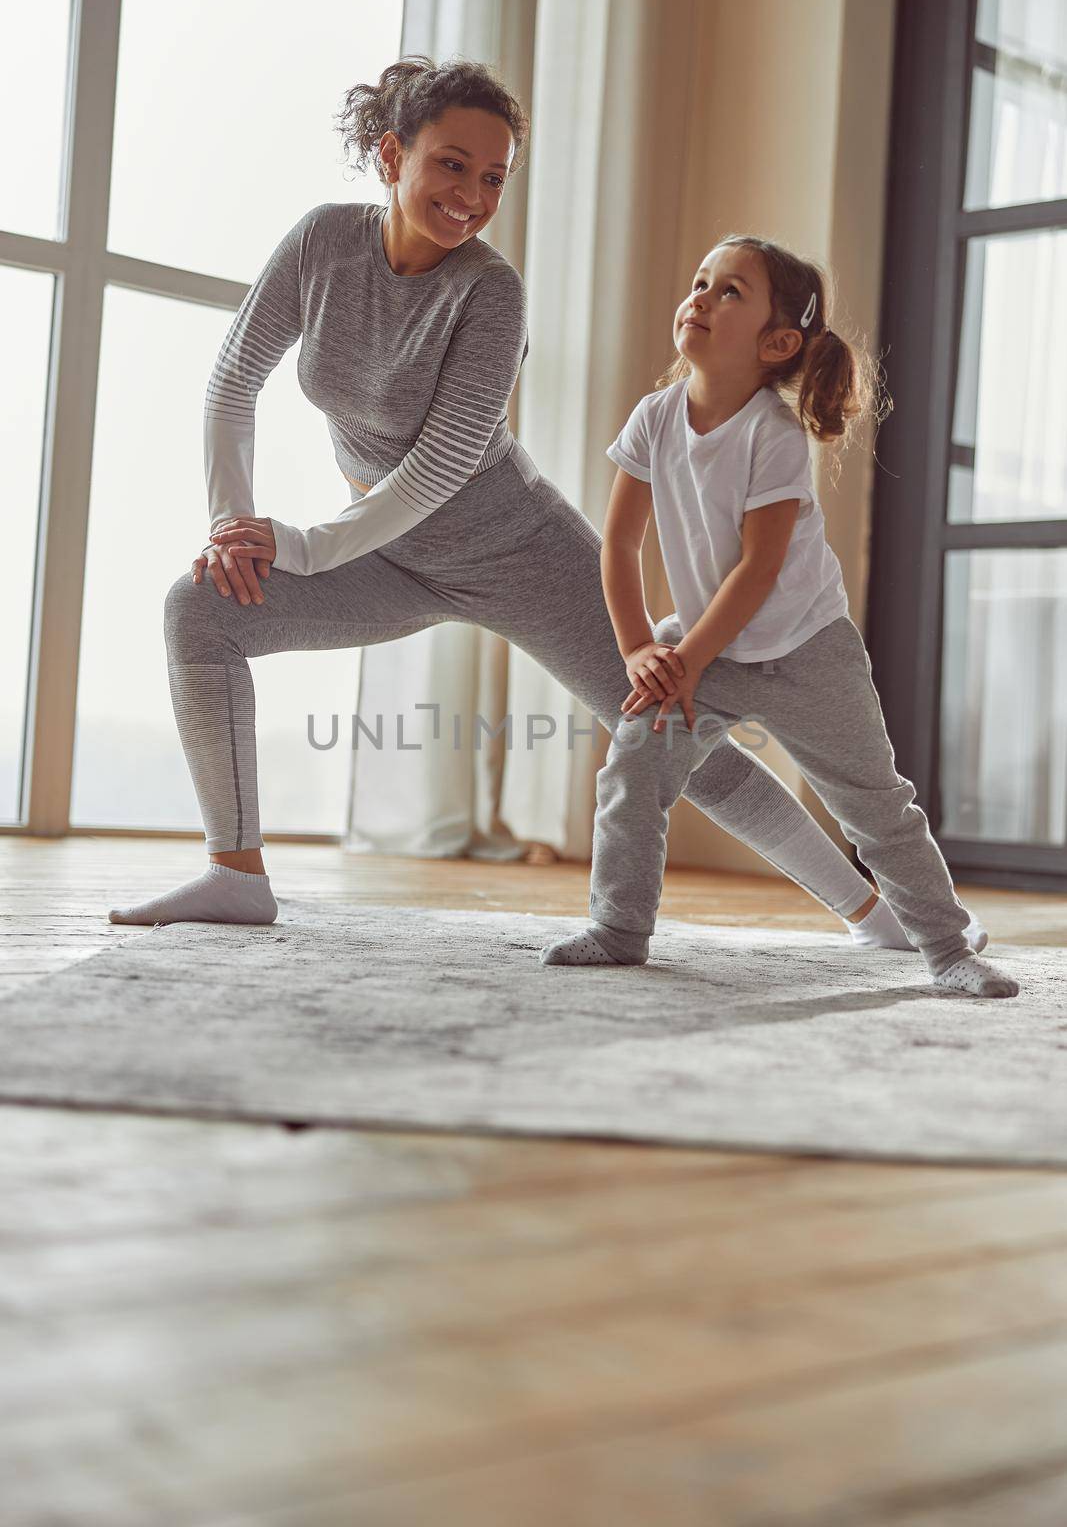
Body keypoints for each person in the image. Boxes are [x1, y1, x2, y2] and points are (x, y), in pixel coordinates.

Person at [107, 55, 973, 956]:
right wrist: (232, 529)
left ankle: (871, 915)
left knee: (670, 726)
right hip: (382, 553)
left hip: (516, 549)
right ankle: (237, 874)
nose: (472, 195)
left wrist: (296, 543)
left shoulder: (490, 291)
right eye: (451, 164)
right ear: (389, 154)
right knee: (198, 611)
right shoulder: (322, 244)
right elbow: (232, 382)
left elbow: (441, 467)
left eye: (493, 177)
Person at [539, 234, 1016, 998]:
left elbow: (758, 571)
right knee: (633, 769)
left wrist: (685, 660)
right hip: (701, 645)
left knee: (875, 806)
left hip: (804, 649)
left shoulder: (773, 433)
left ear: (779, 342)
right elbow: (620, 543)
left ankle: (948, 950)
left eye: (729, 290)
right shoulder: (654, 417)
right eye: (699, 281)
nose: (699, 297)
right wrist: (639, 650)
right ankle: (618, 929)